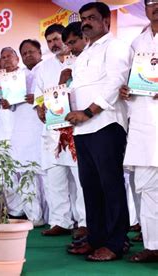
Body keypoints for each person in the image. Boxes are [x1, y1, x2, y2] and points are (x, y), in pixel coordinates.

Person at [65, 2, 132, 261]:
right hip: (82, 130)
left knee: (110, 186)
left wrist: (89, 112)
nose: (86, 23)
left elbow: (116, 83)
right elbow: (75, 91)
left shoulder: (116, 46)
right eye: (83, 18)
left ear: (107, 21)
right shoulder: (83, 55)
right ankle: (96, 238)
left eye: (92, 18)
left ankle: (116, 243)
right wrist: (57, 108)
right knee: (90, 186)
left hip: (106, 125)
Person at [33, 24, 87, 239]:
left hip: (76, 128)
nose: (54, 44)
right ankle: (60, 221)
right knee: (54, 178)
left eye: (57, 39)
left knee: (81, 179)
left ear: (67, 39)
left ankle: (84, 221)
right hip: (53, 130)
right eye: (50, 41)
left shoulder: (81, 61)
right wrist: (39, 106)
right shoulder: (44, 67)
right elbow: (38, 93)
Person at [118, 0, 158, 263]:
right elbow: (131, 79)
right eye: (151, 2)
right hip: (144, 122)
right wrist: (126, 90)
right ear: (145, 8)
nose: (156, 5)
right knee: (147, 187)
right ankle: (153, 245)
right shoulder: (137, 43)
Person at [0, 46, 45, 226]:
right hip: (10, 131)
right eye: (3, 57)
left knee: (34, 172)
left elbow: (41, 97)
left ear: (17, 59)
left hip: (32, 129)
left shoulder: (29, 74)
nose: (6, 59)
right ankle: (23, 212)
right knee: (14, 174)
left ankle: (41, 216)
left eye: (10, 56)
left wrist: (35, 99)